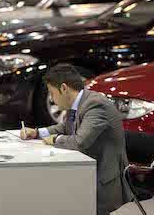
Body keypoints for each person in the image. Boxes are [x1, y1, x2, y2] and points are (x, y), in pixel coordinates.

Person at [22, 64, 131, 215]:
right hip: (86, 169)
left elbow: (80, 142)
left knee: (60, 198)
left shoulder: (95, 104)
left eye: (52, 93)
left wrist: (55, 140)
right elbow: (66, 128)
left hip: (104, 180)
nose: (52, 99)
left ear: (64, 88)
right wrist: (37, 133)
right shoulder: (79, 103)